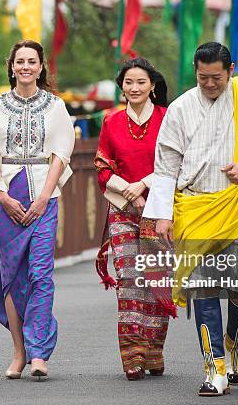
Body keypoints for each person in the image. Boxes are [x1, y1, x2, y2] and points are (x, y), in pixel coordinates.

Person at [143, 42, 238, 396]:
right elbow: (165, 164)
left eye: (216, 77)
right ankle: (214, 368)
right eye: (202, 77)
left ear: (230, 72)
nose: (209, 83)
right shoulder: (181, 108)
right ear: (195, 73)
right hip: (195, 208)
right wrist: (162, 216)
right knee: (204, 290)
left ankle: (234, 348)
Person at [0, 40, 75, 380]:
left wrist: (44, 196)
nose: (26, 67)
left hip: (44, 193)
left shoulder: (55, 106)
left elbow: (61, 152)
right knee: (12, 275)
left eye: (32, 61)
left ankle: (39, 353)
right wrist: (2, 194)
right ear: (11, 66)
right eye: (20, 61)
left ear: (41, 67)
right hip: (7, 193)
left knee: (40, 273)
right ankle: (18, 350)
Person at [94, 57, 176, 381]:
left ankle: (154, 349)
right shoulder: (111, 122)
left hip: (160, 212)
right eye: (129, 82)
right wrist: (127, 189)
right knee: (129, 279)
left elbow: (175, 163)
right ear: (122, 87)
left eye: (141, 82)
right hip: (123, 210)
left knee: (155, 279)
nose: (135, 88)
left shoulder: (167, 119)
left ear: (152, 85)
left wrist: (145, 184)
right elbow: (102, 166)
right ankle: (133, 354)